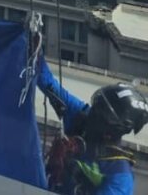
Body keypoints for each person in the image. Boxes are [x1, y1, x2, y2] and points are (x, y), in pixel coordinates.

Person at [38, 57, 148, 194]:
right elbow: (49, 84)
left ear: (111, 131)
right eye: (96, 105)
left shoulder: (119, 176)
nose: (92, 112)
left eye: (100, 111)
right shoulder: (82, 117)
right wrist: (37, 56)